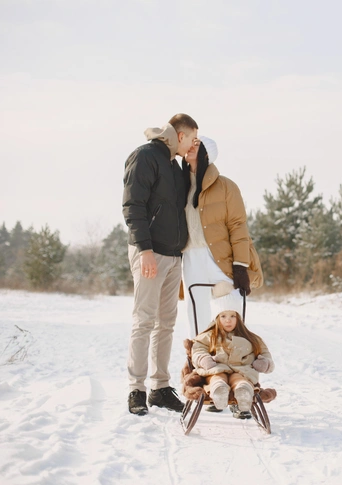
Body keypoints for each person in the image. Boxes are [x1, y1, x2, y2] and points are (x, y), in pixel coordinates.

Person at [122, 113, 198, 416]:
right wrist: (145, 250)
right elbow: (133, 206)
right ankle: (136, 390)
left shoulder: (174, 165)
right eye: (192, 138)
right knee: (144, 321)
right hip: (150, 252)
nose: (194, 143)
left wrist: (193, 163)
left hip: (174, 254)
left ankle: (160, 388)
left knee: (166, 324)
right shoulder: (145, 157)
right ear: (180, 135)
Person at [180, 136, 263, 338]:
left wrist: (241, 265)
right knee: (197, 314)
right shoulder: (178, 185)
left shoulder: (227, 186)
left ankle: (234, 362)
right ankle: (198, 362)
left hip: (221, 257)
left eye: (196, 145)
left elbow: (238, 226)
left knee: (230, 313)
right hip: (191, 257)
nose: (190, 146)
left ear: (206, 154)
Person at [191, 282, 275, 419]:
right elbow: (197, 348)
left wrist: (265, 362)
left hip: (241, 370)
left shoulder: (249, 338)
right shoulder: (210, 335)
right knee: (218, 378)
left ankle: (243, 392)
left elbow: (264, 351)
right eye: (223, 316)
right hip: (216, 369)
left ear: (239, 318)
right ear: (217, 318)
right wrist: (203, 358)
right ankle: (219, 391)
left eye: (232, 316)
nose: (228, 321)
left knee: (240, 379)